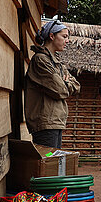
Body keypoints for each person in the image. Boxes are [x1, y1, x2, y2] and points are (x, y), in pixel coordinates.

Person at [25, 20, 81, 148]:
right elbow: (61, 90)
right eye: (64, 36)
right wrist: (65, 82)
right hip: (45, 123)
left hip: (55, 122)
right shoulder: (40, 60)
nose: (67, 41)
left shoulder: (56, 63)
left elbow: (77, 85)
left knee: (53, 163)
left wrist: (64, 82)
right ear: (52, 36)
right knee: (48, 162)